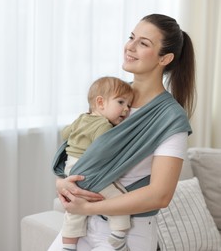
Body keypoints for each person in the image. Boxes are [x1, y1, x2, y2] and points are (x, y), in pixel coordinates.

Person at [49, 13, 195, 251]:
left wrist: (88, 207)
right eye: (132, 37)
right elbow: (79, 149)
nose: (130, 46)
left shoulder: (170, 118)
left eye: (144, 43)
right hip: (80, 227)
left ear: (165, 58)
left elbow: (160, 195)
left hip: (128, 232)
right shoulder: (112, 96)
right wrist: (62, 182)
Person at [60, 76, 134, 251]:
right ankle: (118, 237)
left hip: (71, 169)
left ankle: (68, 246)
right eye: (121, 102)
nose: (126, 109)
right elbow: (103, 151)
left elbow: (65, 134)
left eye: (129, 105)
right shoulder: (104, 126)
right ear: (100, 103)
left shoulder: (81, 118)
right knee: (119, 199)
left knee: (74, 208)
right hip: (89, 170)